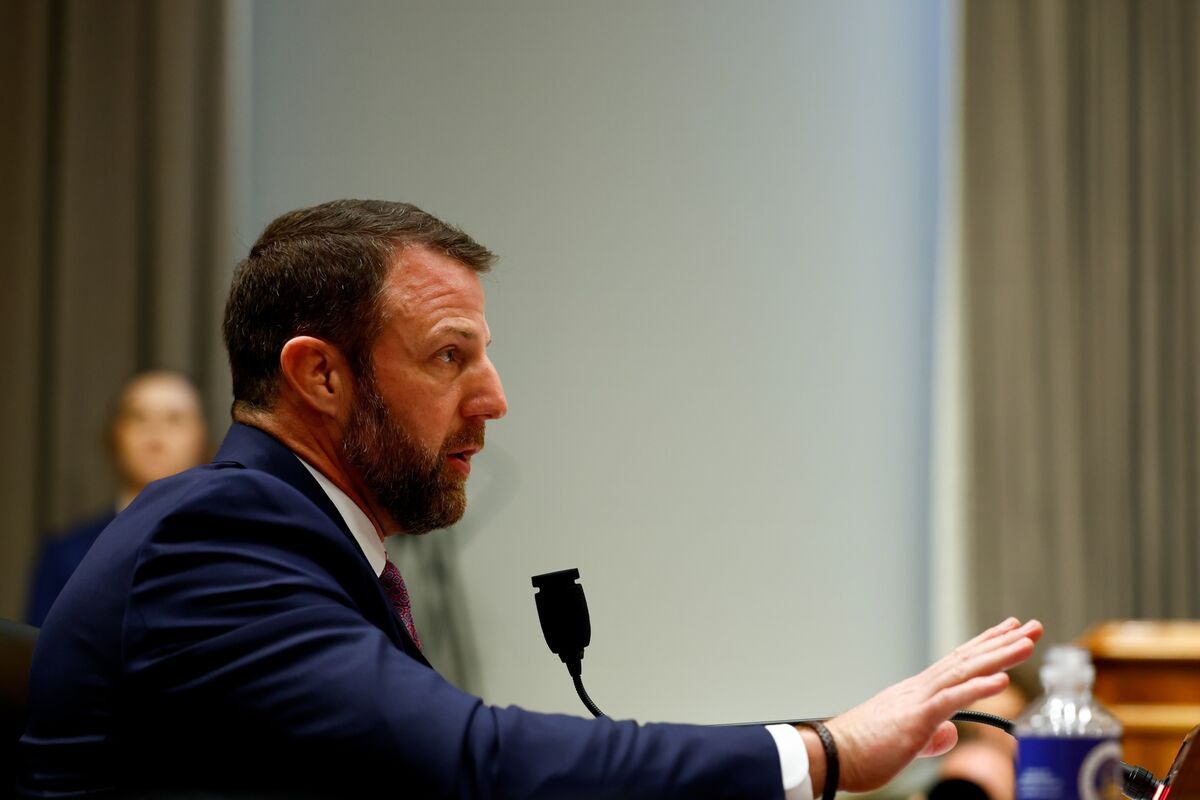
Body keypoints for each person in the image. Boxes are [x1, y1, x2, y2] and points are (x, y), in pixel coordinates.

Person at [17, 200, 1043, 798]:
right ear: (319, 374)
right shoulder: (216, 537)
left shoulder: (297, 536)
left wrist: (823, 741)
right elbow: (469, 763)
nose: (495, 398)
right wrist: (826, 753)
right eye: (449, 357)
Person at [25, 370, 209, 627]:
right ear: (115, 434)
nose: (155, 435)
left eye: (174, 419)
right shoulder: (66, 555)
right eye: (139, 417)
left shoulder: (232, 544)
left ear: (201, 437)